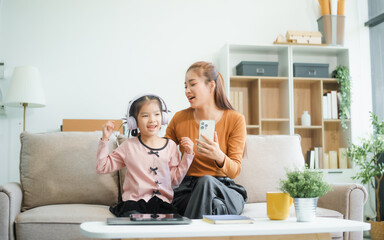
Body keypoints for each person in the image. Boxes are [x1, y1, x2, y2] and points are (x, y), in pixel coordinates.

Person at [165, 61, 247, 219]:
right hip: (188, 191)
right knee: (213, 204)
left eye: (192, 84)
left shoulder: (235, 119)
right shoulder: (179, 118)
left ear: (211, 86)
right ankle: (215, 213)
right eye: (185, 86)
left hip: (224, 189)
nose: (187, 91)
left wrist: (219, 156)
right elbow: (161, 151)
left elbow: (235, 170)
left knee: (207, 181)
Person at [96, 94, 194, 217]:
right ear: (133, 121)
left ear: (163, 118)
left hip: (162, 204)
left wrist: (188, 155)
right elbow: (102, 167)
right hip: (134, 204)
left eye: (157, 114)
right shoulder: (128, 146)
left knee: (174, 224)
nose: (152, 120)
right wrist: (105, 139)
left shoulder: (171, 146)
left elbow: (175, 180)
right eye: (145, 115)